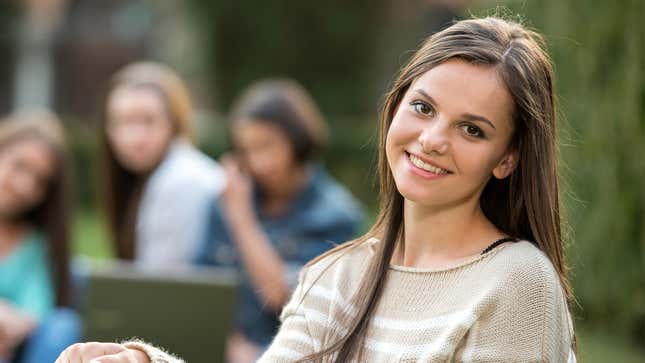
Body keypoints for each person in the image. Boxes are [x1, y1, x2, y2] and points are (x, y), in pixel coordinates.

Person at [56, 15, 577, 363]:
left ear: (507, 159)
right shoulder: (335, 275)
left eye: (472, 129)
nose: (433, 139)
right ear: (395, 107)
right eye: (423, 107)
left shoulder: (515, 282)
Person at [194, 79, 364, 362]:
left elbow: (286, 298)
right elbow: (200, 288)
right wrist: (226, 341)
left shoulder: (336, 216)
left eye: (267, 146)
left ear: (297, 140)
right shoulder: (228, 200)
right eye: (247, 151)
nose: (258, 163)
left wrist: (242, 220)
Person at [99, 62, 226, 266]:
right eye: (122, 121)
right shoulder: (163, 175)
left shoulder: (181, 181)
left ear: (173, 124)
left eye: (148, 121)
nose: (135, 138)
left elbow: (161, 289)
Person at [0, 111, 80, 363]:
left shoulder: (34, 246)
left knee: (63, 324)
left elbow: (37, 309)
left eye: (40, 180)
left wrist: (12, 323)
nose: (25, 186)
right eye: (19, 165)